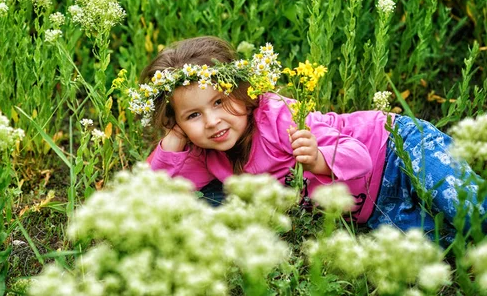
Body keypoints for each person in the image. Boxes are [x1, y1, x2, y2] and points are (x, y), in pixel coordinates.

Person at [132, 36, 485, 243]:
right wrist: (173, 140)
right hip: (373, 207)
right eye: (193, 115)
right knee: (451, 244)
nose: (212, 121)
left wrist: (318, 159)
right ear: (176, 122)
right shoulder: (204, 152)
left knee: (470, 212)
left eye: (220, 101)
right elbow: (154, 189)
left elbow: (358, 156)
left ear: (243, 91)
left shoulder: (278, 117)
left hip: (394, 149)